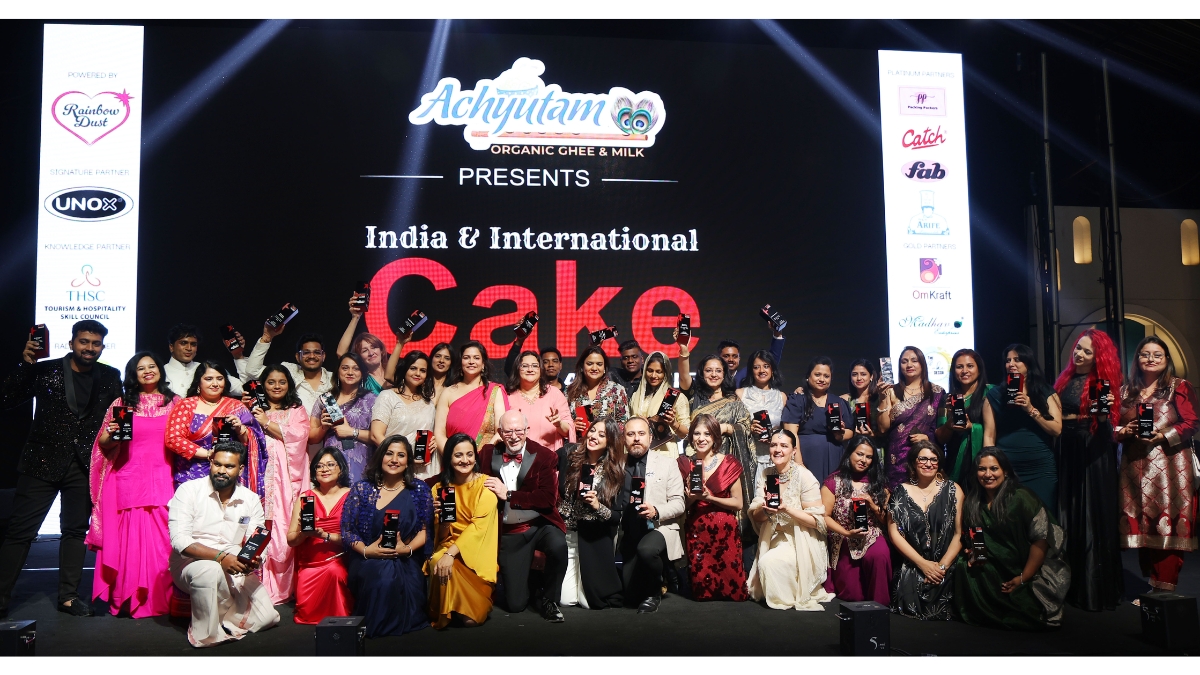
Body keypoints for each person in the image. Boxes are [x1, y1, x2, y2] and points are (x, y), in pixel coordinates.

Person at [0, 319, 122, 618]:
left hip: (83, 464)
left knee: (75, 531)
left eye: (95, 343)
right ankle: (1, 597)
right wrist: (26, 364)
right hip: (40, 462)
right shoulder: (45, 369)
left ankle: (68, 597)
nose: (89, 348)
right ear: (71, 343)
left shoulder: (110, 376)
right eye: (84, 342)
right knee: (20, 532)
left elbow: (119, 414)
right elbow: (6, 398)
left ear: (102, 347)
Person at [88, 351, 179, 618]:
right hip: (128, 480)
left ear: (160, 370)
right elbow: (104, 444)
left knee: (163, 544)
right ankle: (127, 599)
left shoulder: (175, 402)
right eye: (141, 368)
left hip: (164, 480)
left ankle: (162, 599)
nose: (148, 371)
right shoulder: (123, 403)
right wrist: (113, 434)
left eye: (152, 366)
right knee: (130, 546)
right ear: (133, 374)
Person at [168, 441, 280, 647]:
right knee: (210, 570)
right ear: (211, 462)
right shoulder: (188, 490)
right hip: (191, 562)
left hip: (232, 561)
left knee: (267, 618)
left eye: (229, 466)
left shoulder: (250, 499)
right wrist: (220, 558)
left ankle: (222, 616)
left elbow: (256, 539)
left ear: (240, 469)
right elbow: (180, 542)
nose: (221, 470)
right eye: (217, 464)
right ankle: (207, 635)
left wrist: (254, 560)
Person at [953, 447, 1070, 630]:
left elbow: (1041, 539)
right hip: (994, 564)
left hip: (1024, 566)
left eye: (994, 468)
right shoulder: (973, 501)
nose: (988, 474)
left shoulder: (1022, 497)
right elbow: (977, 538)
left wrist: (1023, 577)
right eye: (982, 469)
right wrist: (975, 554)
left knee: (1029, 610)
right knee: (963, 565)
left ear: (1005, 471)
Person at [1116, 336, 1199, 593]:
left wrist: (1162, 435)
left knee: (1167, 526)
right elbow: (1111, 426)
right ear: (1137, 359)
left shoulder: (1179, 386)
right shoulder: (1125, 391)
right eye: (1145, 354)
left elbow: (1191, 423)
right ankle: (1153, 587)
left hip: (1170, 467)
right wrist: (1125, 431)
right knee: (1142, 526)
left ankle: (1164, 590)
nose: (1150, 359)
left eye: (1157, 355)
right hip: (1133, 468)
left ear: (1166, 360)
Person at [1053, 329, 1123, 610]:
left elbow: (1106, 431)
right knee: (1068, 513)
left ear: (1098, 357)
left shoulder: (1102, 383)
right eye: (1078, 348)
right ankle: (1068, 586)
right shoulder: (1065, 378)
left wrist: (1102, 417)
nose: (1078, 354)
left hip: (1091, 450)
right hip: (1066, 449)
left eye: (1086, 351)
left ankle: (1092, 589)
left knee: (1090, 514)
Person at [477, 410, 569, 622]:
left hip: (539, 525)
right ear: (500, 432)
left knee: (558, 545)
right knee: (515, 605)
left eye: (519, 430)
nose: (514, 436)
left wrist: (508, 494)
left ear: (527, 430)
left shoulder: (545, 456)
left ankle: (550, 599)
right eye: (508, 431)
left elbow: (548, 499)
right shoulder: (488, 454)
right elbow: (462, 475)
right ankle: (533, 584)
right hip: (509, 532)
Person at [341, 435, 433, 637]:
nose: (394, 459)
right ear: (380, 456)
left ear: (408, 461)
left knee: (392, 574)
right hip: (366, 558)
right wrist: (368, 551)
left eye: (401, 455)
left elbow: (424, 531)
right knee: (382, 575)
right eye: (389, 453)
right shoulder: (362, 489)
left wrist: (406, 549)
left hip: (406, 558)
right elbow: (347, 530)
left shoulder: (420, 490)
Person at [746, 429, 833, 611]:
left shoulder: (804, 476)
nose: (778, 449)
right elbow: (756, 517)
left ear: (794, 451)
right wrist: (766, 510)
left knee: (768, 564)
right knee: (761, 573)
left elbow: (817, 522)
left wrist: (787, 509)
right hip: (773, 537)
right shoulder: (766, 474)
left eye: (784, 446)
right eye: (774, 445)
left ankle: (789, 596)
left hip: (801, 539)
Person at [251, 365, 311, 604]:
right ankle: (257, 581)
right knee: (258, 522)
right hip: (259, 475)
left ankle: (282, 585)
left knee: (283, 523)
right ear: (263, 385)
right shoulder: (254, 408)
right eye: (271, 382)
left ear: (289, 385)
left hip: (285, 479)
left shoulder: (296, 410)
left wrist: (266, 422)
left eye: (282, 382)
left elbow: (300, 437)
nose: (277, 386)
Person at [428, 434, 500, 629]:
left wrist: (450, 555)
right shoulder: (439, 489)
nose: (465, 460)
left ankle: (461, 603)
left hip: (477, 554)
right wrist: (443, 520)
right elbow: (441, 537)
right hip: (448, 547)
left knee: (471, 621)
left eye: (469, 454)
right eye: (458, 455)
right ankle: (446, 608)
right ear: (449, 458)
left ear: (475, 457)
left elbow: (478, 528)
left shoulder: (487, 486)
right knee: (437, 560)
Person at [165, 361, 267, 496]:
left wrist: (240, 429)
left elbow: (253, 441)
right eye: (209, 379)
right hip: (190, 474)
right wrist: (208, 454)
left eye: (219, 379)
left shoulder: (236, 406)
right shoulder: (186, 405)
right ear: (198, 382)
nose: (215, 383)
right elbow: (173, 439)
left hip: (227, 476)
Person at [887, 441, 962, 620]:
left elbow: (959, 534)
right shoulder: (900, 491)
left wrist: (941, 567)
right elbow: (894, 533)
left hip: (946, 565)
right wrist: (923, 564)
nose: (928, 464)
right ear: (914, 462)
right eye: (923, 459)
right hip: (913, 563)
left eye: (933, 459)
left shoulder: (954, 490)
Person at [983, 344, 1062, 512]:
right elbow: (989, 436)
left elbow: (1056, 430)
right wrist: (989, 466)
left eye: (1017, 360)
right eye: (1008, 360)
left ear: (1028, 363)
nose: (1011, 364)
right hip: (1008, 467)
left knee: (1043, 517)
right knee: (1010, 516)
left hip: (1041, 468)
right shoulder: (995, 394)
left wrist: (1031, 409)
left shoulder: (1045, 391)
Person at [557, 417, 626, 609]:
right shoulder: (570, 455)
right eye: (593, 430)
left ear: (610, 442)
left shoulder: (615, 473)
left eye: (602, 435)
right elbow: (542, 461)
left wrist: (597, 506)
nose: (594, 436)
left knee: (589, 602)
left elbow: (616, 518)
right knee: (566, 600)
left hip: (593, 539)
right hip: (568, 535)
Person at [619, 417, 686, 613]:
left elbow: (679, 503)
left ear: (650, 437)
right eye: (631, 434)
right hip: (629, 531)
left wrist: (656, 511)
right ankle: (663, 569)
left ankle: (655, 591)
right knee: (630, 598)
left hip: (658, 527)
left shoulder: (667, 463)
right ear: (624, 439)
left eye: (641, 434)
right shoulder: (617, 464)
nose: (636, 438)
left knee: (647, 550)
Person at [678, 414, 748, 601]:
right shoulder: (685, 464)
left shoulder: (729, 463)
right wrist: (693, 498)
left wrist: (710, 497)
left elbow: (738, 503)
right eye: (697, 434)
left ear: (715, 437)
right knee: (703, 594)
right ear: (691, 437)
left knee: (733, 590)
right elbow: (681, 507)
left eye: (707, 434)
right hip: (697, 529)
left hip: (725, 529)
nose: (701, 438)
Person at [821, 436, 892, 604]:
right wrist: (846, 533)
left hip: (872, 534)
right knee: (852, 595)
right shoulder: (833, 482)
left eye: (869, 457)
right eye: (859, 454)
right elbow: (824, 517)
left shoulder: (879, 484)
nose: (864, 460)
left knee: (879, 555)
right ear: (849, 453)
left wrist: (873, 505)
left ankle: (880, 606)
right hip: (843, 536)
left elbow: (886, 521)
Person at [286, 447, 352, 625]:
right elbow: (291, 540)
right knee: (306, 615)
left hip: (340, 561)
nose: (324, 469)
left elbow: (356, 539)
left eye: (330, 464)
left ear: (341, 469)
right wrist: (304, 534)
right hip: (310, 564)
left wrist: (325, 535)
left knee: (335, 571)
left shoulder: (351, 496)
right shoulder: (306, 497)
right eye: (319, 466)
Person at [879, 346, 946, 488]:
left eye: (914, 360)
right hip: (896, 459)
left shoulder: (937, 392)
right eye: (904, 361)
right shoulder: (892, 391)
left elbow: (942, 430)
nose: (909, 364)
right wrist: (882, 397)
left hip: (924, 457)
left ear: (922, 363)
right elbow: (883, 428)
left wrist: (928, 438)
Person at [782, 357, 855, 486]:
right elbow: (790, 434)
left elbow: (850, 431)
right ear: (808, 376)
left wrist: (840, 434)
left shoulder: (838, 402)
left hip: (835, 458)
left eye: (826, 376)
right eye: (817, 375)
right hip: (806, 457)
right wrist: (799, 464)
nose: (822, 379)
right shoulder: (797, 400)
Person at [371, 350, 439, 481]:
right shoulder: (387, 396)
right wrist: (404, 458)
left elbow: (429, 433)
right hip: (392, 466)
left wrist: (434, 442)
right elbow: (375, 435)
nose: (417, 373)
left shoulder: (429, 404)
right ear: (405, 369)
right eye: (413, 368)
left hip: (422, 471)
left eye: (423, 370)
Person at [309, 353, 376, 484]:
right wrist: (323, 428)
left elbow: (378, 437)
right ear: (338, 371)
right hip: (330, 465)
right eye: (345, 368)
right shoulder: (326, 399)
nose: (350, 372)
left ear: (362, 373)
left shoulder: (372, 400)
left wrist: (352, 432)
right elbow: (312, 438)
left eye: (356, 368)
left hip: (362, 465)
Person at [434, 341, 508, 451]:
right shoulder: (448, 392)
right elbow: (439, 433)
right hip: (453, 458)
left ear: (483, 363)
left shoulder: (495, 391)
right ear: (461, 362)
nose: (471, 362)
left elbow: (501, 432)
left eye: (476, 358)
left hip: (485, 458)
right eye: (466, 358)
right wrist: (452, 456)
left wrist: (481, 457)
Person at [242, 327, 334, 415]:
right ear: (297, 357)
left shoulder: (334, 378)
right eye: (306, 353)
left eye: (317, 352)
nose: (312, 356)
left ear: (323, 356)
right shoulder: (288, 371)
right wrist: (266, 338)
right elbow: (253, 370)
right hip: (289, 425)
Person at [935, 349, 993, 484]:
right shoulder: (947, 399)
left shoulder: (990, 393)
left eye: (970, 366)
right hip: (954, 461)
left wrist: (972, 427)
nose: (964, 371)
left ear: (979, 369)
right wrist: (950, 423)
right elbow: (940, 438)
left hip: (982, 461)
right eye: (959, 367)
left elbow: (999, 430)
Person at [506, 350, 573, 451]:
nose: (530, 369)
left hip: (550, 456)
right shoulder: (508, 396)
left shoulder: (554, 393)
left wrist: (559, 424)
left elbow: (568, 430)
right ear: (517, 369)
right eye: (525, 366)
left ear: (541, 369)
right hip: (516, 455)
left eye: (534, 366)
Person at [737, 349, 787, 481]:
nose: (761, 370)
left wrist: (775, 435)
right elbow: (733, 427)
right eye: (756, 367)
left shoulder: (781, 397)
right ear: (751, 370)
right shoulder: (741, 394)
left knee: (772, 493)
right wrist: (749, 428)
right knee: (751, 494)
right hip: (749, 459)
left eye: (766, 366)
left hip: (774, 459)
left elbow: (786, 430)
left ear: (772, 369)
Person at [629, 351, 690, 457]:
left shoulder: (675, 397)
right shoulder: (636, 396)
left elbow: (687, 434)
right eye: (650, 370)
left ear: (666, 373)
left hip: (665, 454)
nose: (653, 375)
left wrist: (673, 423)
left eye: (659, 372)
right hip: (637, 453)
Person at [163, 323, 247, 396]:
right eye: (183, 343)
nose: (189, 348)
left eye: (193, 344)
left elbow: (246, 388)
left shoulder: (208, 369)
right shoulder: (161, 373)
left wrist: (238, 355)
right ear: (171, 347)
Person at [565, 346, 631, 434]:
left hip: (608, 441)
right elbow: (563, 422)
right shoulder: (570, 391)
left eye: (599, 364)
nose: (594, 368)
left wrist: (605, 431)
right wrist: (572, 426)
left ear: (604, 368)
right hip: (578, 442)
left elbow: (624, 424)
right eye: (589, 364)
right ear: (582, 366)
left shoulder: (617, 390)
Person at [335, 294, 390, 394]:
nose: (371, 353)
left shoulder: (395, 374)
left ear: (381, 350)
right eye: (364, 350)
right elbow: (341, 353)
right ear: (359, 357)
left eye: (374, 347)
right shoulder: (361, 379)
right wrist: (355, 317)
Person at [840, 358, 888, 446]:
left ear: (871, 376)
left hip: (877, 447)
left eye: (863, 374)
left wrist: (872, 435)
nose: (859, 378)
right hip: (853, 448)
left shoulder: (880, 397)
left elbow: (885, 429)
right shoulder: (844, 400)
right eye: (854, 374)